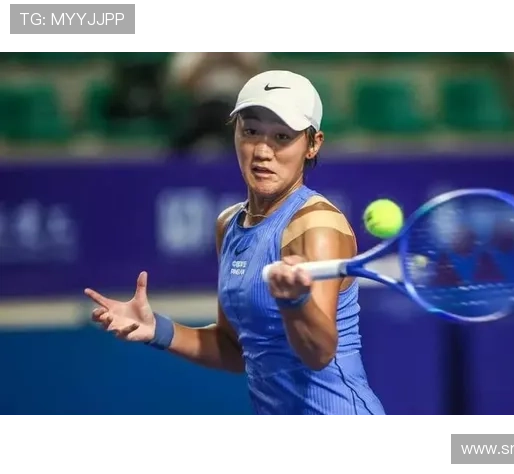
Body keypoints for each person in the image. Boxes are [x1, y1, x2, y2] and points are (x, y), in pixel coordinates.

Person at [84, 70, 385, 417]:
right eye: (251, 131)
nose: (262, 151)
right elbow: (236, 349)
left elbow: (319, 354)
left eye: (282, 137)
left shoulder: (316, 225)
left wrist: (296, 301)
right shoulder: (228, 224)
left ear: (313, 144)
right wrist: (158, 329)